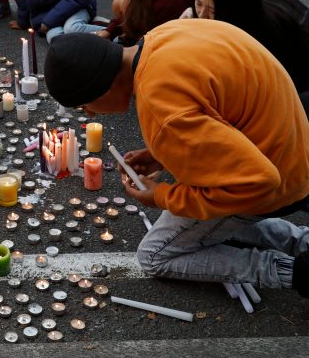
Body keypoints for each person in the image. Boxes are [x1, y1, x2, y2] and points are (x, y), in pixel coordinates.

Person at [43, 21, 309, 296]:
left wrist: (163, 196)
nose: (90, 115)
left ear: (103, 88)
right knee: (217, 225)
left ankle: (295, 272)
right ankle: (301, 241)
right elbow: (212, 111)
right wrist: (162, 156)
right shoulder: (161, 36)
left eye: (85, 105)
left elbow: (260, 180)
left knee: (154, 256)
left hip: (275, 182)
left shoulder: (161, 109)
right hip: (294, 148)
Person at [193, 0, 309, 113]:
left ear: (235, 11)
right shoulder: (246, 2)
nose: (201, 15)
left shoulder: (257, 44)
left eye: (212, 11)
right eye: (198, 3)